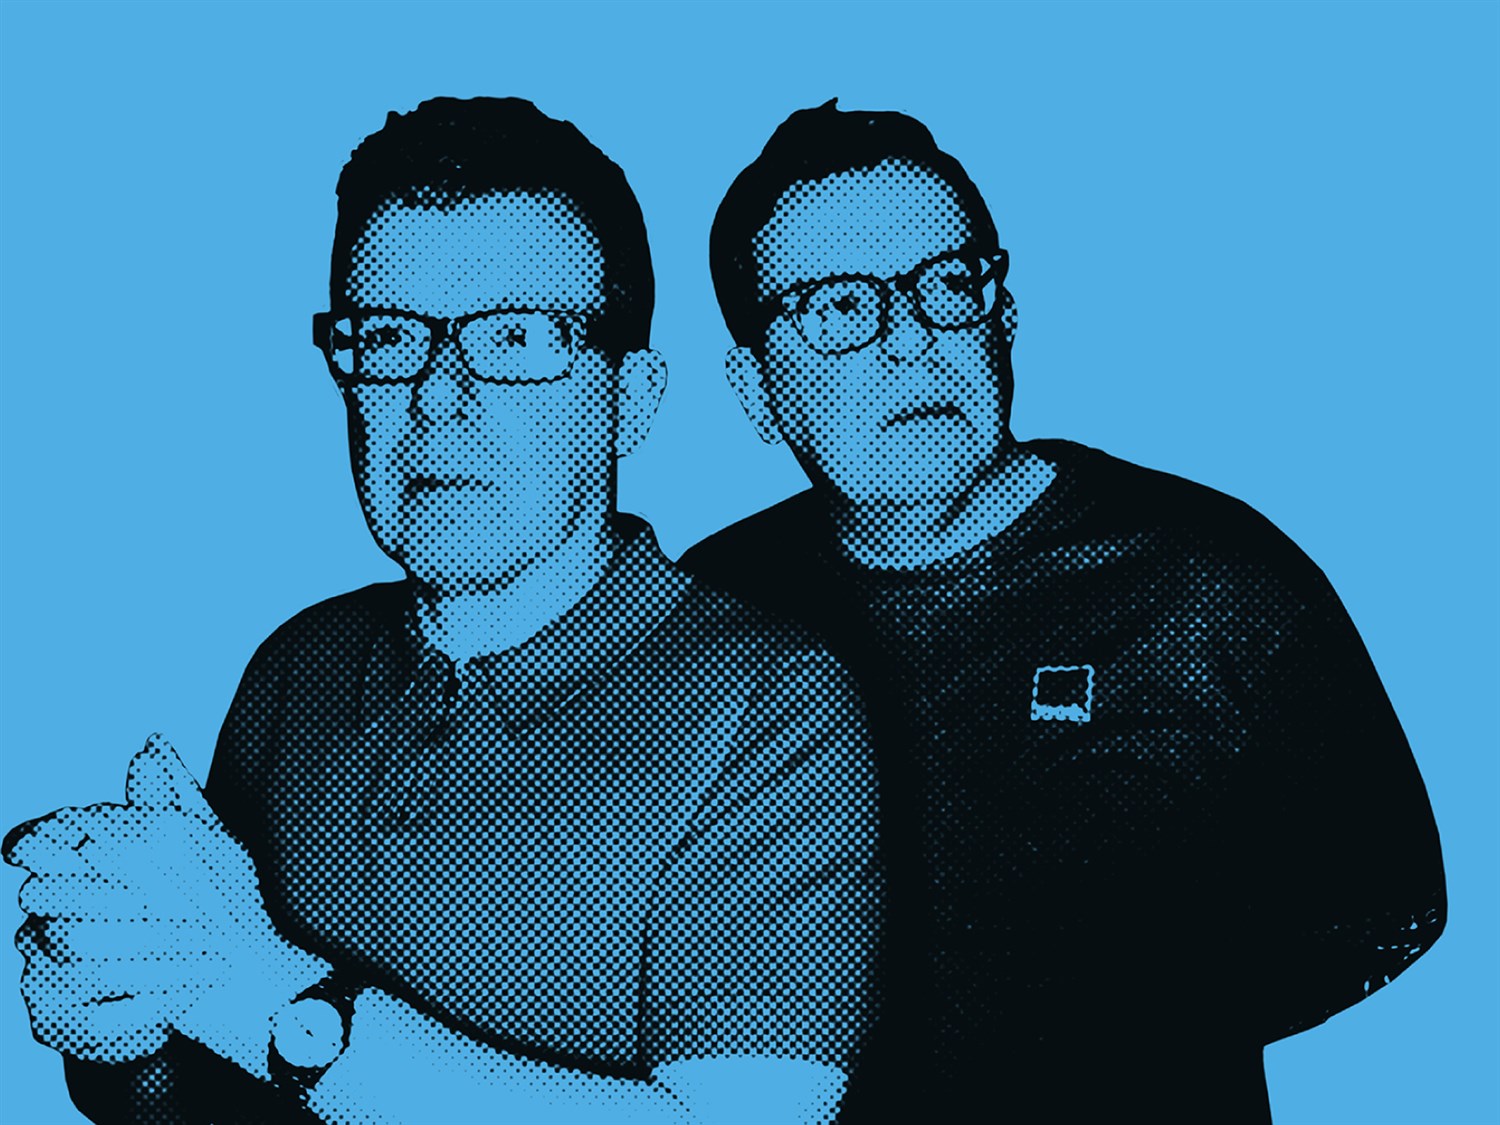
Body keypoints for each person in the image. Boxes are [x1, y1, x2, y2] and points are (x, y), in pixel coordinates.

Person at [5, 97, 881, 1125]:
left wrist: (256, 996)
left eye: (515, 337)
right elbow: (202, 1094)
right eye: (389, 338)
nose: (437, 396)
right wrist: (120, 1029)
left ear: (631, 399)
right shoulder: (297, 665)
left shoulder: (776, 701)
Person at [680, 100, 1447, 1125]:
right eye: (840, 307)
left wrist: (1125, 1040)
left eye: (947, 285)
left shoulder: (1213, 586)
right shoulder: (709, 612)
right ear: (755, 388)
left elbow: (1388, 906)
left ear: (1002, 317)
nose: (912, 343)